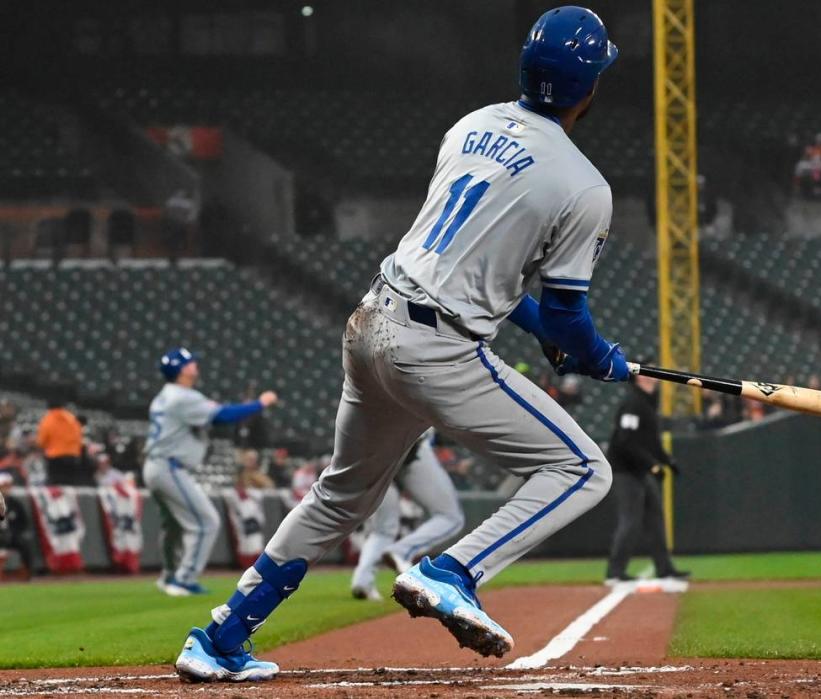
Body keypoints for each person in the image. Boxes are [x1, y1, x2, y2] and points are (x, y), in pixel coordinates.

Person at [175, 7, 624, 682]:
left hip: (373, 321)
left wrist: (550, 333)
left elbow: (483, 272)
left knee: (338, 497)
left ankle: (217, 638)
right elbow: (566, 316)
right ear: (589, 86)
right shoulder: (585, 185)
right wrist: (595, 354)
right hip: (437, 350)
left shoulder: (472, 125)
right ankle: (453, 570)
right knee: (584, 469)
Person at [144, 348, 277, 597]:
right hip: (169, 467)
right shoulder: (182, 397)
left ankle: (170, 576)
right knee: (206, 521)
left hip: (156, 465)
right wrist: (260, 403)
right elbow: (223, 416)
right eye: (189, 362)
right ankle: (183, 579)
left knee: (173, 525)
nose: (194, 364)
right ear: (181, 369)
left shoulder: (164, 396)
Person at [350, 431, 465, 601]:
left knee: (382, 530)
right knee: (451, 518)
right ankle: (401, 551)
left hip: (370, 454)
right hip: (412, 445)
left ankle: (362, 582)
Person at [605, 372, 688, 583]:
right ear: (640, 378)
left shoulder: (647, 403)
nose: (655, 376)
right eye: (649, 372)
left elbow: (651, 442)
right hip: (625, 470)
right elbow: (625, 442)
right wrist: (652, 465)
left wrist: (668, 461)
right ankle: (614, 572)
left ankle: (664, 568)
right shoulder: (633, 403)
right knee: (630, 520)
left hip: (640, 470)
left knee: (655, 518)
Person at [35, 398, 83, 485]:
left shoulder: (48, 419)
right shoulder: (72, 418)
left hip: (55, 457)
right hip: (72, 457)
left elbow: (41, 441)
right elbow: (79, 436)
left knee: (55, 485)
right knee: (70, 484)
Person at [0, 472, 34, 579]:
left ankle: (27, 573)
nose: (7, 489)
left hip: (12, 536)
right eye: (4, 486)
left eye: (8, 486)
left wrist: (13, 533)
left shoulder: (15, 503)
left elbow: (24, 522)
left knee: (25, 544)